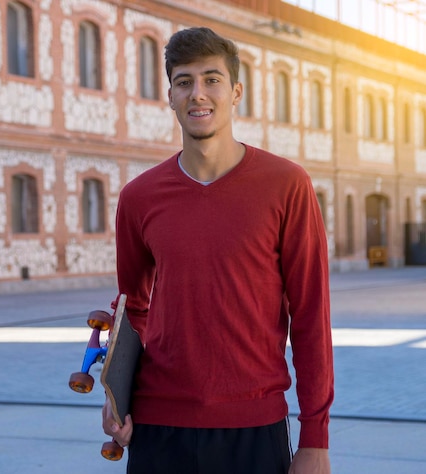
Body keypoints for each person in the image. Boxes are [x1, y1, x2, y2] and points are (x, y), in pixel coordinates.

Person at [102, 26, 334, 473]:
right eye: (184, 81)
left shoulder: (287, 185)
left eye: (212, 79)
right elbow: (132, 309)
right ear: (169, 95)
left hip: (254, 426)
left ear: (236, 92)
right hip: (158, 426)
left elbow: (311, 317)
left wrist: (316, 439)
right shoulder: (139, 196)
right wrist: (116, 397)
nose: (198, 94)